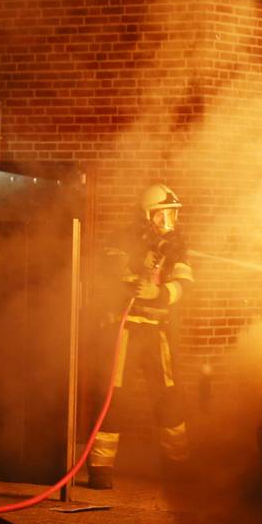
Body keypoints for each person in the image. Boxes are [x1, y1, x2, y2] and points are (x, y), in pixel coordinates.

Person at [87, 183, 193, 489]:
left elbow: (186, 286)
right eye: (162, 216)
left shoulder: (176, 247)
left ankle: (177, 467)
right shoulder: (121, 241)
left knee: (169, 396)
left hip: (157, 333)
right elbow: (108, 276)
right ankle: (100, 470)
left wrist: (158, 292)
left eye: (172, 216)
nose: (168, 224)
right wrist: (136, 272)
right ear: (147, 216)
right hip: (125, 330)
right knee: (113, 396)